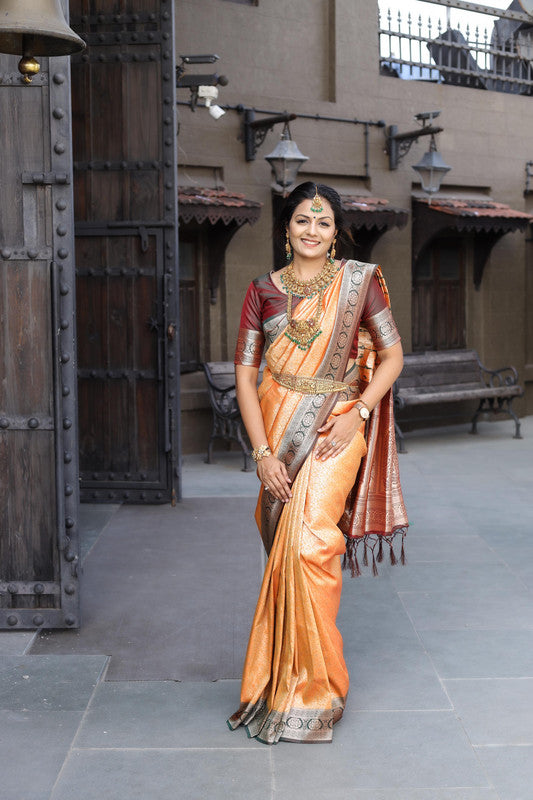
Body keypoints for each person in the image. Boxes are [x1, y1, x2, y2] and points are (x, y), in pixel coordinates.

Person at [227, 182, 408, 745]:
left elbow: (392, 355)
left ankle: (321, 688)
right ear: (286, 229)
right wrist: (261, 455)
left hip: (337, 427)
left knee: (312, 544)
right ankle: (280, 683)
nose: (312, 230)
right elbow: (245, 379)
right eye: (302, 220)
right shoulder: (261, 292)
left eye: (323, 222)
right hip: (279, 433)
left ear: (336, 233)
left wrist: (360, 410)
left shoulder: (359, 283)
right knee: (284, 547)